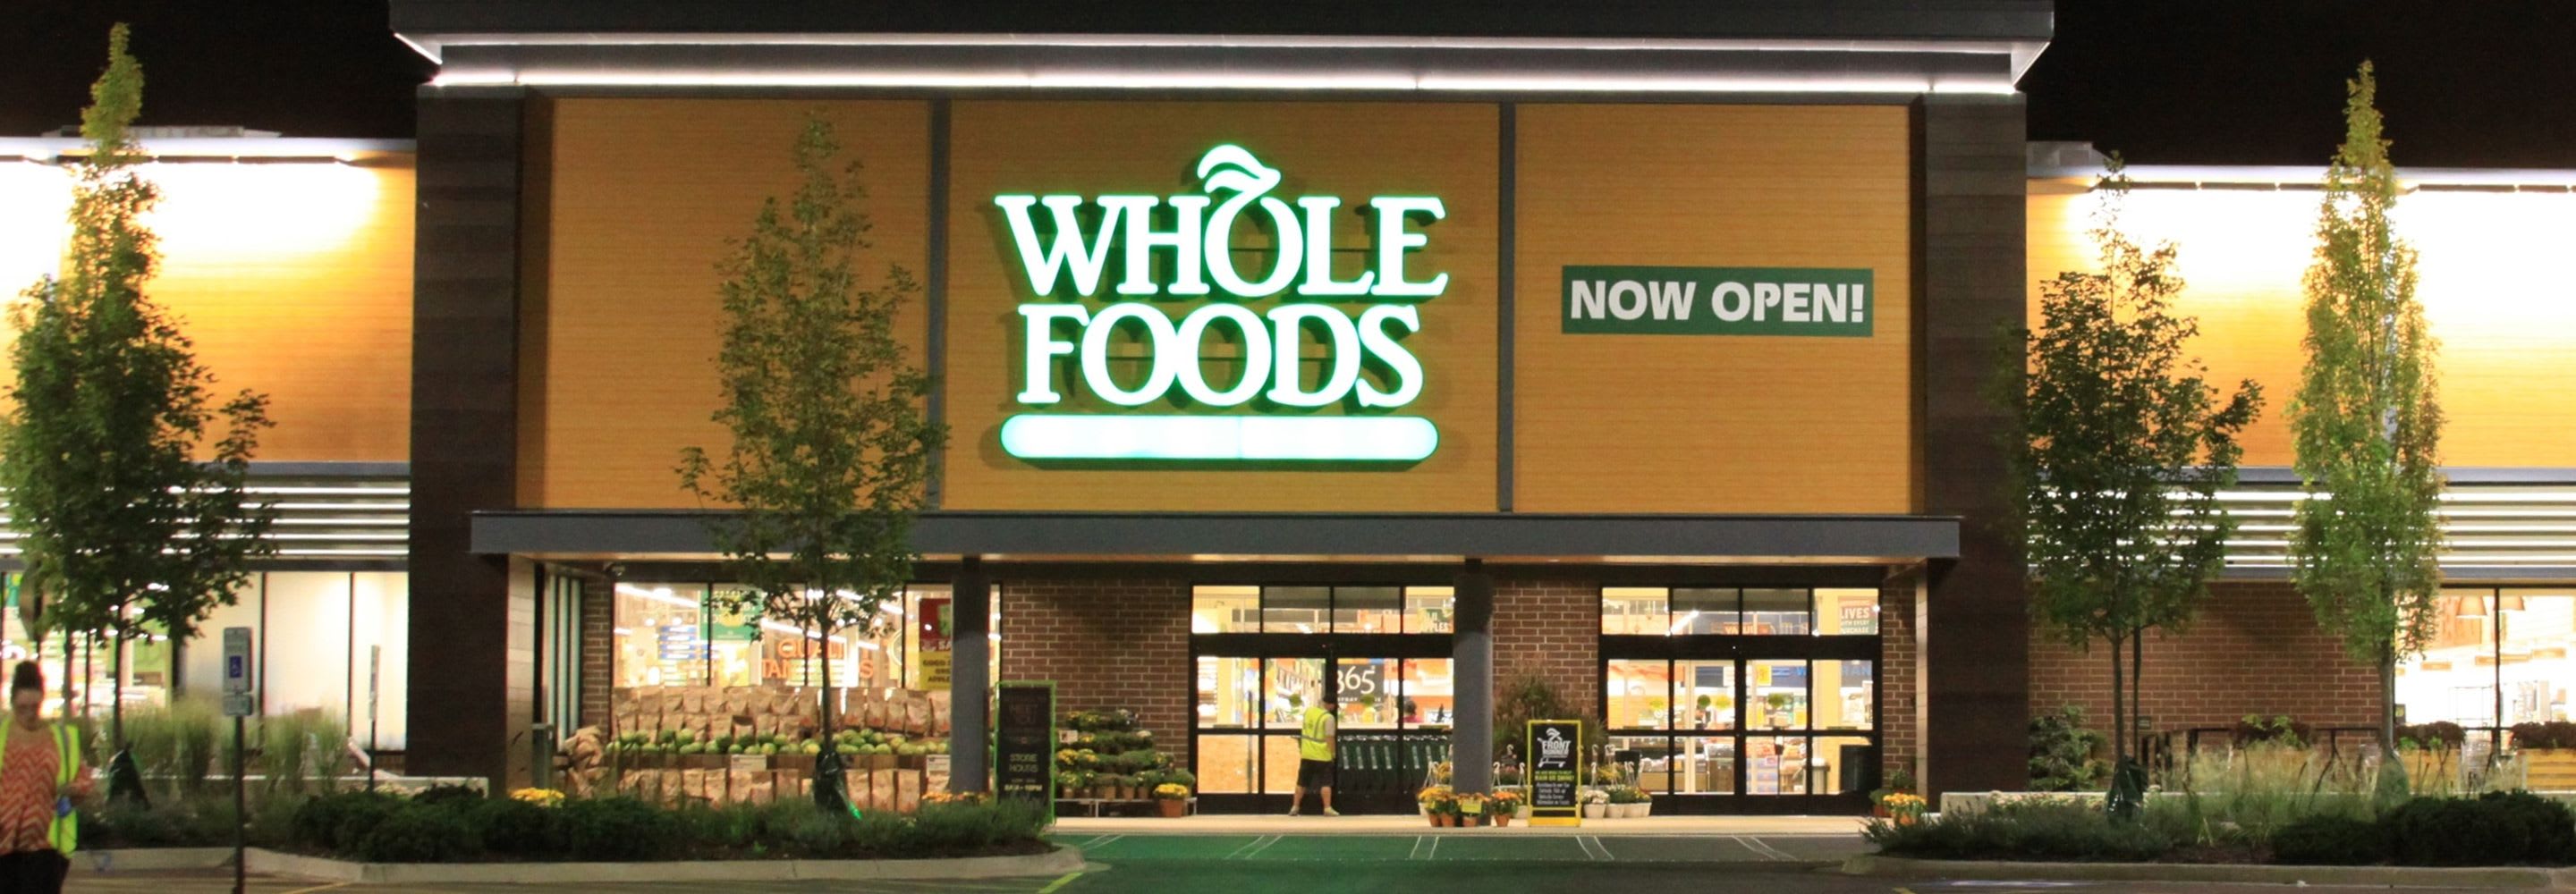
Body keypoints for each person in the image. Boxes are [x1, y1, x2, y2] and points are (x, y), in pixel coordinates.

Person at [0, 662, 88, 893]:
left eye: (35, 707)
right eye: (22, 708)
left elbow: (84, 781)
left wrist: (75, 790)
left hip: (46, 846)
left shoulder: (61, 739)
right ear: (11, 704)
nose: (29, 714)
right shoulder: (1, 737)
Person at [1288, 684, 1338, 816]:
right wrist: (1333, 753)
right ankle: (1327, 808)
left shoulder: (1309, 711)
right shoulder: (1328, 718)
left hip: (1306, 754)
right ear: (1331, 705)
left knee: (1301, 782)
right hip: (1322, 755)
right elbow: (1329, 738)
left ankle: (1295, 807)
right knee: (1326, 783)